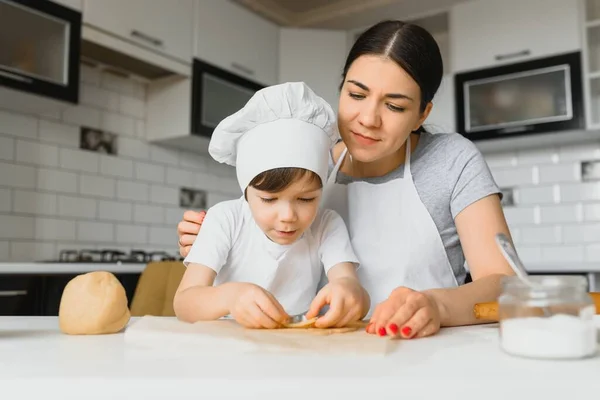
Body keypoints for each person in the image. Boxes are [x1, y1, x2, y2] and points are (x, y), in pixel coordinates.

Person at [177, 20, 515, 339]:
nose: (368, 119)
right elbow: (252, 229)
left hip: (425, 351)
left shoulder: (451, 160)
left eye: (394, 106)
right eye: (356, 95)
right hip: (326, 356)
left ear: (421, 114)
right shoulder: (308, 159)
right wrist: (207, 240)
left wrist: (436, 306)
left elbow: (507, 287)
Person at [174, 82, 370, 329]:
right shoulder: (225, 219)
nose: (288, 216)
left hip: (295, 349)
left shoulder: (326, 224)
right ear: (246, 192)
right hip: (227, 350)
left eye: (306, 199)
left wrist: (351, 292)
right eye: (269, 200)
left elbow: (352, 287)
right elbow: (183, 302)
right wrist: (231, 296)